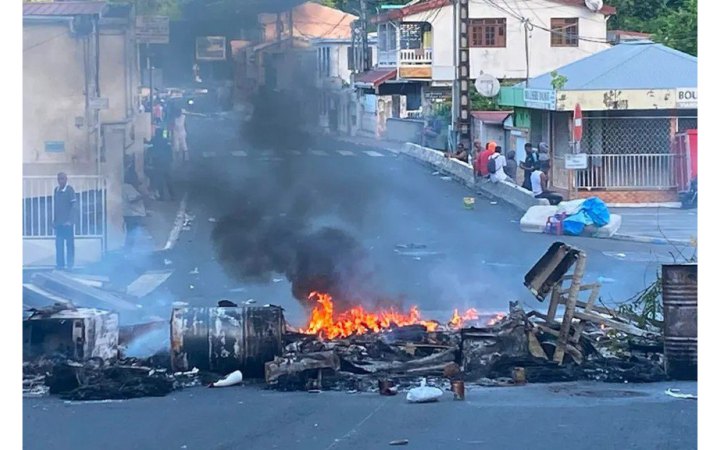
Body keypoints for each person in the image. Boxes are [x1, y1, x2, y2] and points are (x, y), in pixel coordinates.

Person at [53, 172, 77, 271]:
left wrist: (70, 220)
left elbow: (74, 206)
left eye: (62, 179)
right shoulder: (56, 190)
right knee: (59, 245)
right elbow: (56, 207)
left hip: (67, 223)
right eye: (59, 179)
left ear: (66, 179)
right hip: (59, 223)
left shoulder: (69, 190)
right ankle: (60, 265)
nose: (61, 181)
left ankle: (70, 265)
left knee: (69, 244)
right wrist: (54, 221)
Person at [122, 178, 147, 251]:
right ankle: (128, 250)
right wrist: (142, 196)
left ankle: (128, 249)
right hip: (133, 214)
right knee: (132, 233)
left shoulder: (124, 187)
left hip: (129, 214)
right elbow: (132, 200)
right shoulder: (128, 187)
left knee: (131, 233)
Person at [151, 128, 175, 201]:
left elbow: (149, 145)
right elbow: (170, 151)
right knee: (169, 180)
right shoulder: (166, 141)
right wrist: (170, 160)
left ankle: (162, 197)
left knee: (160, 181)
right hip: (166, 163)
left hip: (158, 163)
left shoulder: (154, 140)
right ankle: (173, 196)